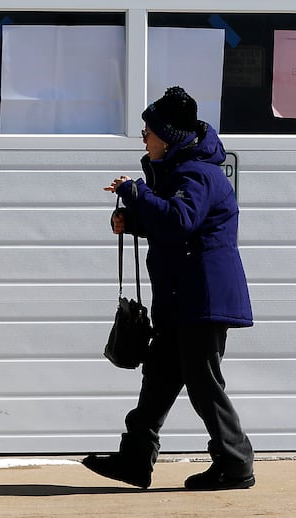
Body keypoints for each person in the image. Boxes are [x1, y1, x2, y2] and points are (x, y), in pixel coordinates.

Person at [83, 86, 255, 491]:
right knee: (159, 377)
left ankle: (235, 464)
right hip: (182, 298)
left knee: (203, 383)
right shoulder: (179, 172)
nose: (144, 138)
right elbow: (173, 227)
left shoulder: (197, 172)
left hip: (202, 299)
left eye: (148, 131)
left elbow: (181, 220)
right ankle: (135, 460)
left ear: (169, 135)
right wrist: (134, 221)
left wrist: (137, 193)